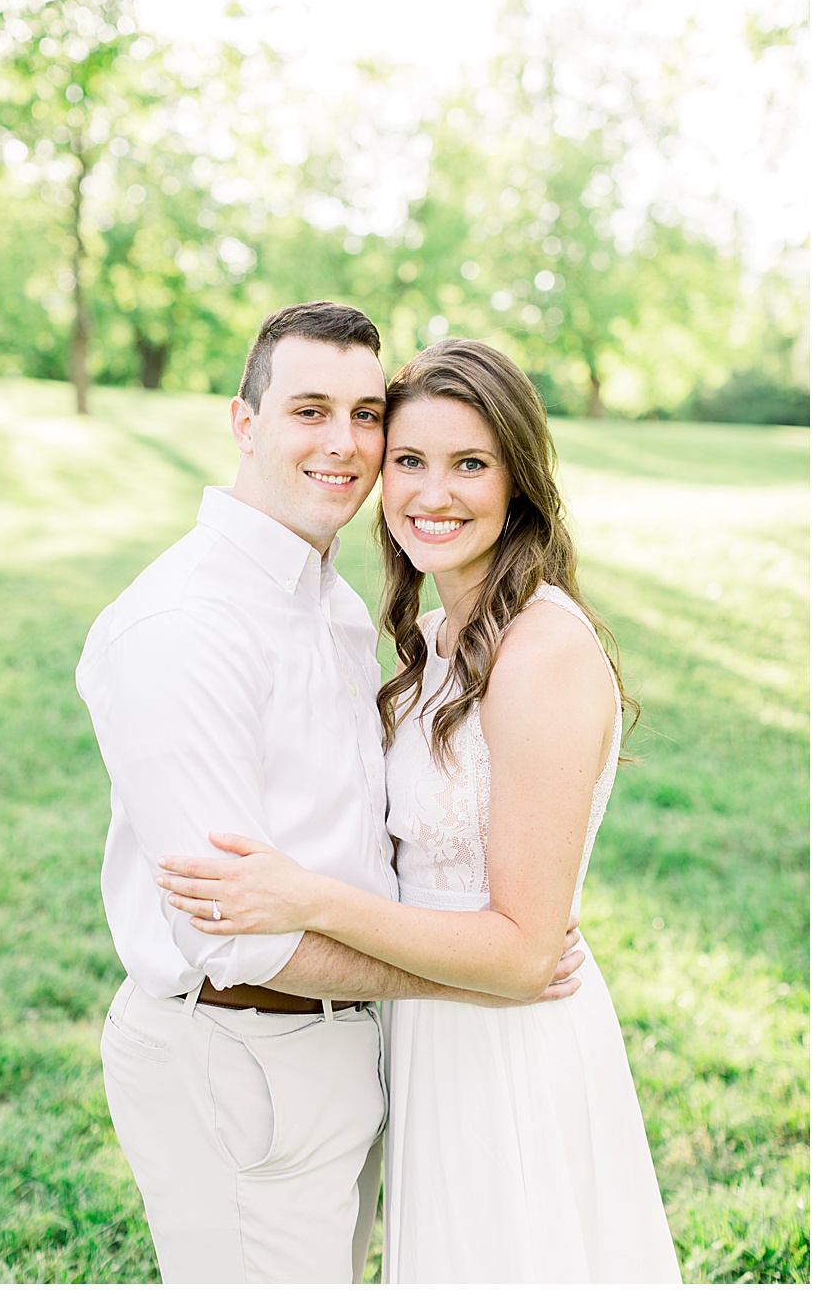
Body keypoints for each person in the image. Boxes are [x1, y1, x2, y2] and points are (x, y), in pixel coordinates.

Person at [76, 303, 584, 1284]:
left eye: (365, 413)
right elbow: (240, 932)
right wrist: (479, 974)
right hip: (241, 1053)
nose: (345, 444)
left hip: (341, 1051)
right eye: (310, 409)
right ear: (244, 421)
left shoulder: (335, 604)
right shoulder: (183, 627)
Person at [155, 337, 680, 1282]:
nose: (434, 493)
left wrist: (304, 897)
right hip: (426, 1028)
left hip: (510, 1039)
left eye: (470, 464)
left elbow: (525, 950)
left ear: (518, 481)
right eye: (410, 461)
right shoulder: (434, 639)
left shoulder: (541, 651)